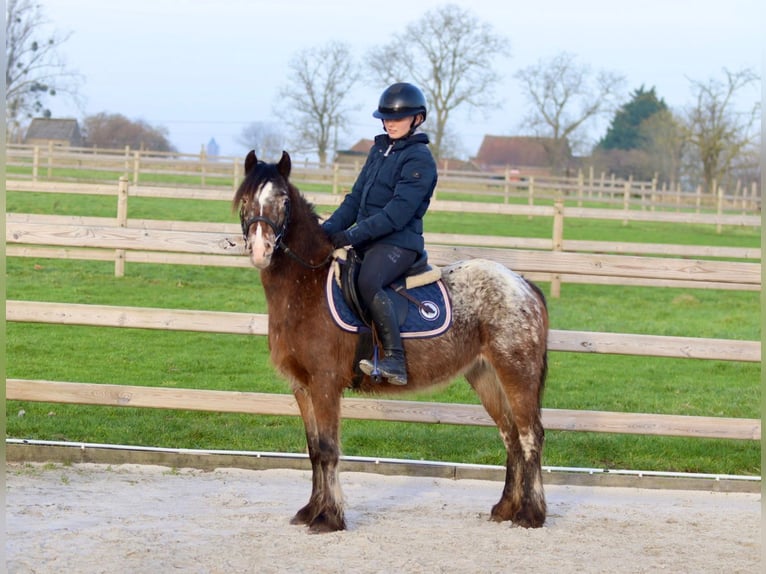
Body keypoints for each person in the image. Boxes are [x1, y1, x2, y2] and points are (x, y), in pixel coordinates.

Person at [322, 82, 438, 386]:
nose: (390, 123)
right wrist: (326, 231)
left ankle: (395, 359)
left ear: (417, 119)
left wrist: (353, 235)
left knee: (368, 280)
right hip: (370, 239)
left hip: (399, 243)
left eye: (398, 118)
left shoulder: (419, 160)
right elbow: (355, 199)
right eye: (386, 118)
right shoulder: (378, 151)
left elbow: (396, 214)